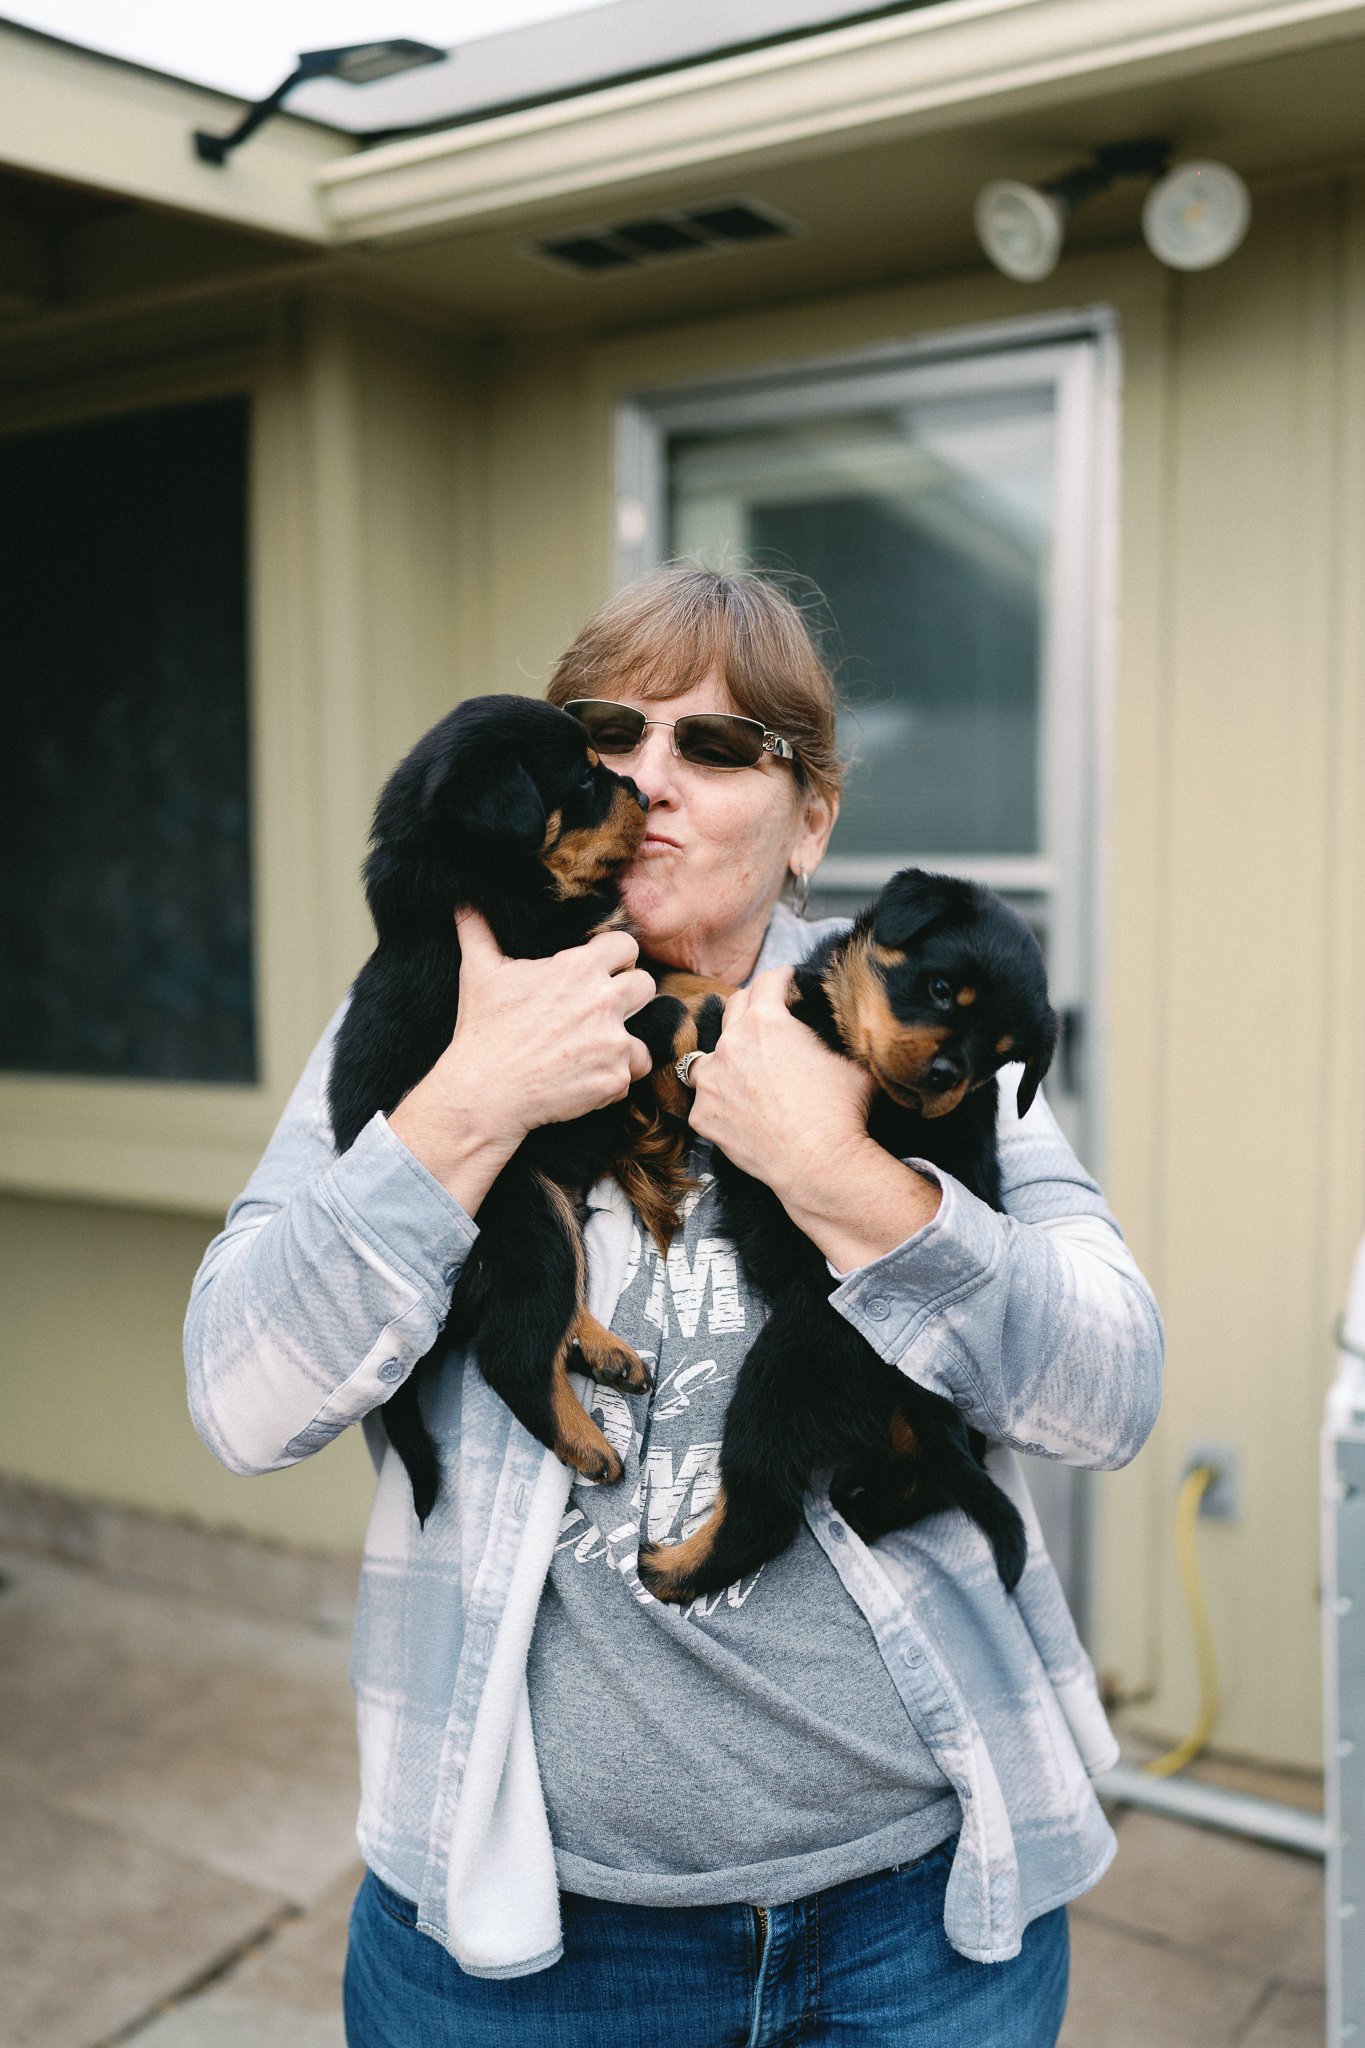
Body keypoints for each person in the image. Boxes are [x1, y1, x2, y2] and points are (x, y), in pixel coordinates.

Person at [184, 565, 1163, 2048]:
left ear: (809, 823)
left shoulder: (902, 1026)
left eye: (714, 746)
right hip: (527, 1956)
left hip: (913, 1928)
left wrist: (834, 1169)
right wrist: (468, 1109)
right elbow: (239, 1398)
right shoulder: (433, 1002)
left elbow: (1108, 1393)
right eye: (607, 734)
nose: (647, 779)